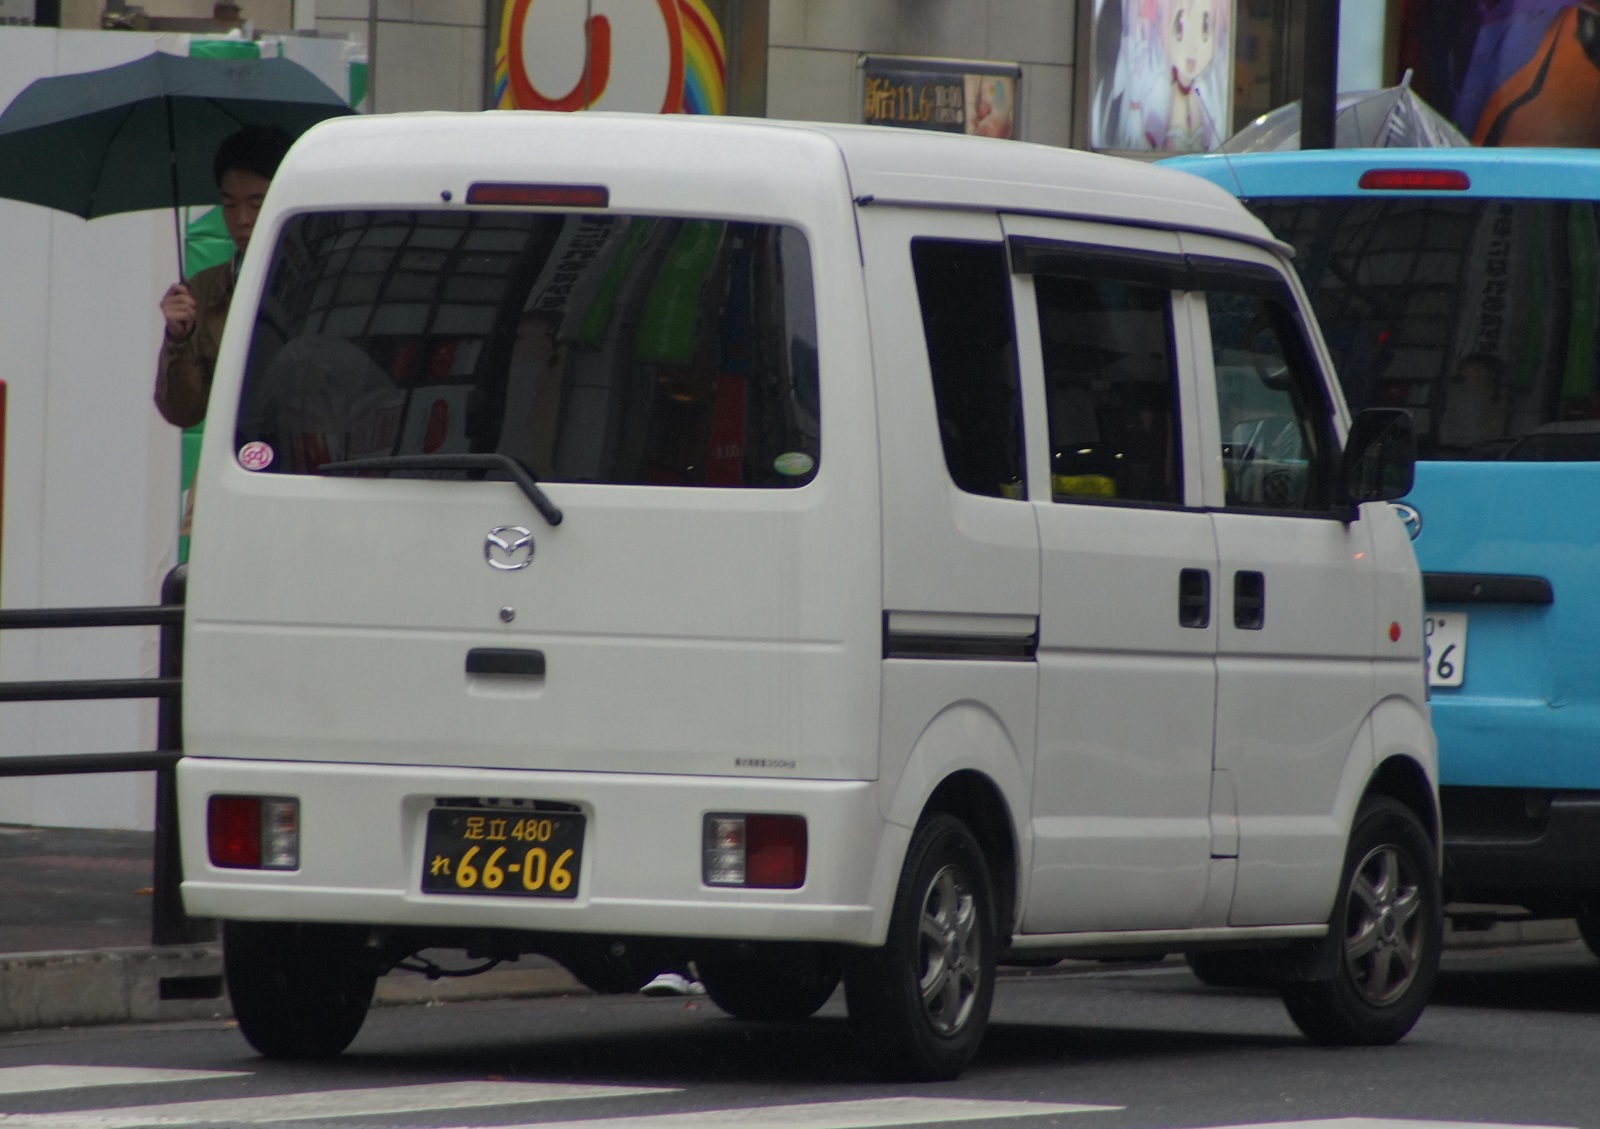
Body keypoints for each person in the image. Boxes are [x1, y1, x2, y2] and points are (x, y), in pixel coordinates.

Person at [154, 124, 293, 428]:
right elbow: (182, 412)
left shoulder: (323, 278)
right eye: (229, 204)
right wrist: (179, 339)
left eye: (256, 204)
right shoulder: (203, 290)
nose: (242, 220)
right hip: (236, 459)